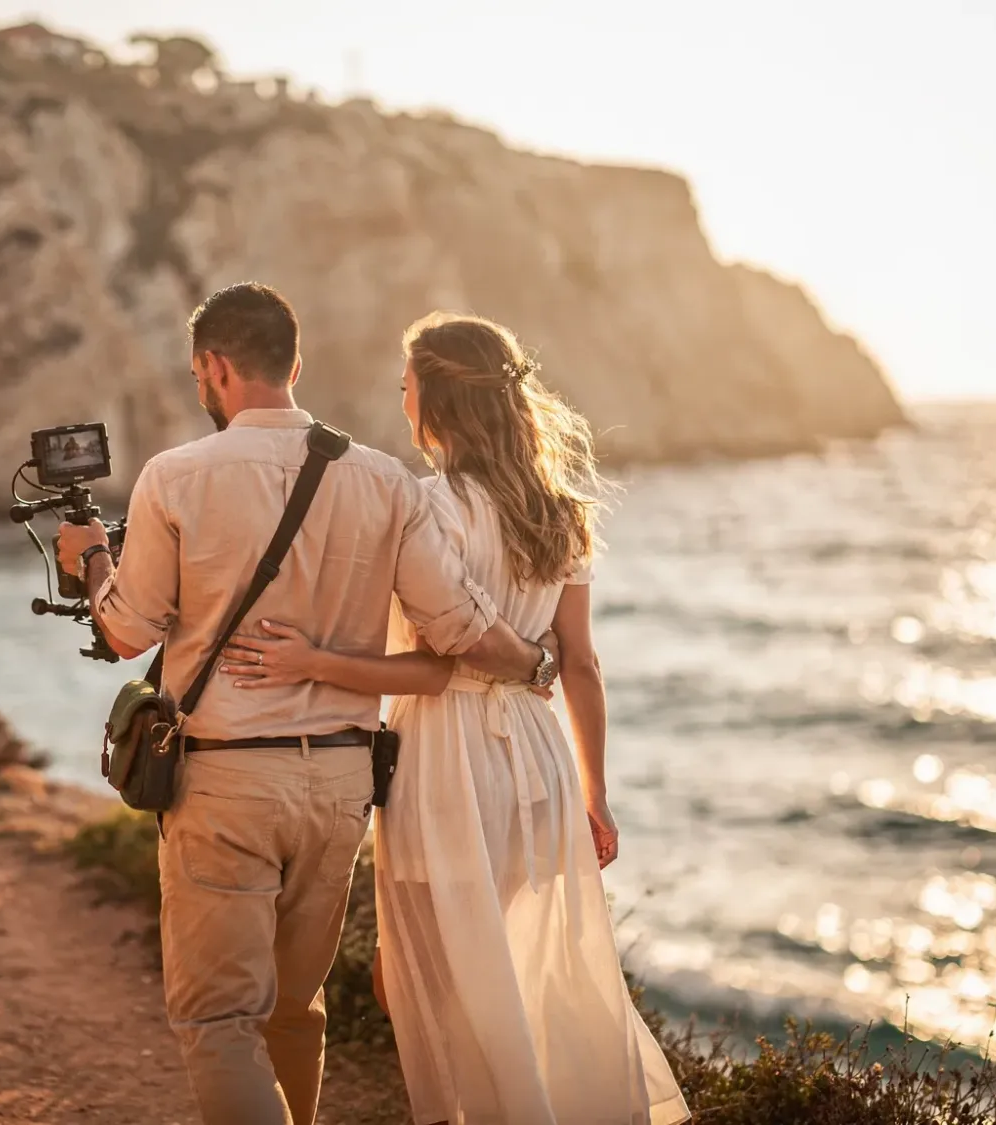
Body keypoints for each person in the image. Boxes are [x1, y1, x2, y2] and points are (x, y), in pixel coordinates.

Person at [56, 284, 556, 1125]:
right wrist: (536, 662)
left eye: (198, 373)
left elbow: (126, 634)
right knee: (297, 1007)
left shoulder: (175, 476)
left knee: (220, 1019)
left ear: (215, 367)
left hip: (225, 783)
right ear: (295, 363)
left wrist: (91, 562)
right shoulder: (383, 479)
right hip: (339, 788)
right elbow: (460, 625)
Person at [219, 312, 690, 1125]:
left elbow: (434, 668)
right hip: (539, 758)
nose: (401, 402)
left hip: (444, 757)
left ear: (435, 401)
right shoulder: (561, 510)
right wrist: (596, 792)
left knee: (428, 978)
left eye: (406, 388)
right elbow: (581, 662)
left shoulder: (424, 506)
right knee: (513, 965)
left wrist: (311, 662)